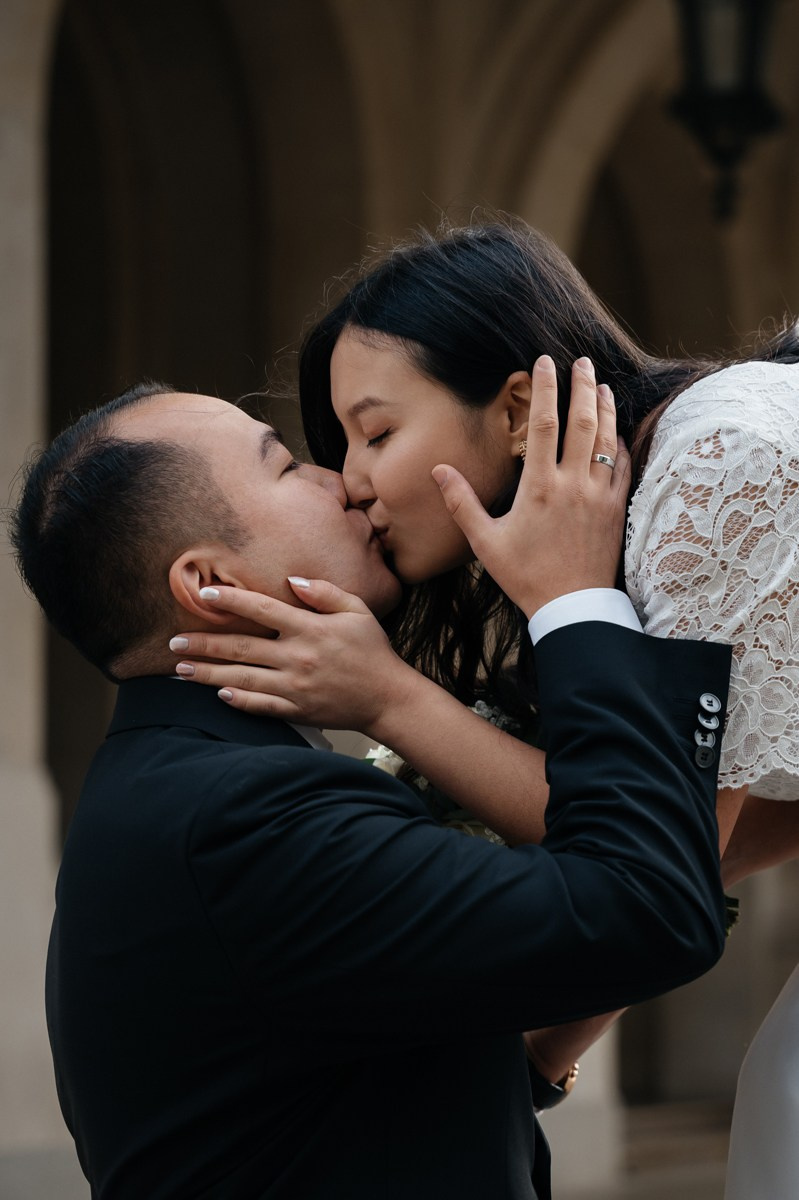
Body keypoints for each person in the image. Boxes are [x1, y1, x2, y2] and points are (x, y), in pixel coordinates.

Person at [172, 219, 799, 1199]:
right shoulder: (674, 473)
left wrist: (384, 696)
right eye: (336, 446)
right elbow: (713, 840)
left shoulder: (705, 467)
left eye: (375, 432)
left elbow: (658, 859)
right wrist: (527, 1071)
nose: (351, 481)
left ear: (516, 409)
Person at [8, 372, 733, 1200]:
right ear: (210, 584)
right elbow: (648, 911)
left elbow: (326, 1096)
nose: (341, 481)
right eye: (284, 466)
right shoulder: (239, 820)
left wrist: (530, 1064)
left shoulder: (188, 786)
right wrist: (570, 598)